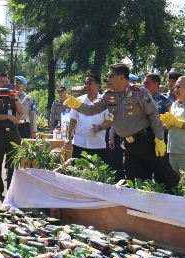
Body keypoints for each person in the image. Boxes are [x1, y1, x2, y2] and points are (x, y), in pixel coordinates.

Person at [64, 63, 179, 191]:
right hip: (128, 146)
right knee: (134, 181)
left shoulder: (139, 92)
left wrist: (159, 139)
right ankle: (138, 209)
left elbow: (153, 115)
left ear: (122, 78)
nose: (107, 79)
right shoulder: (108, 95)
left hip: (148, 142)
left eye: (111, 75)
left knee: (166, 179)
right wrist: (76, 104)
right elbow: (92, 109)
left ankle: (179, 204)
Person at [0, 73, 23, 199]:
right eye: (2, 82)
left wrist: (16, 97)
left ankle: (11, 190)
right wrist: (7, 116)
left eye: (7, 82)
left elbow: (21, 112)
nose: (4, 84)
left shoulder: (12, 97)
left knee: (13, 163)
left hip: (13, 133)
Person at [68, 73, 112, 161]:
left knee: (96, 173)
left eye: (90, 83)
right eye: (85, 83)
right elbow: (73, 119)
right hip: (79, 143)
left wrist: (99, 128)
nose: (86, 85)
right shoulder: (78, 101)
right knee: (76, 172)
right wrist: (68, 137)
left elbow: (110, 120)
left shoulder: (105, 101)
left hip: (97, 145)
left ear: (98, 85)